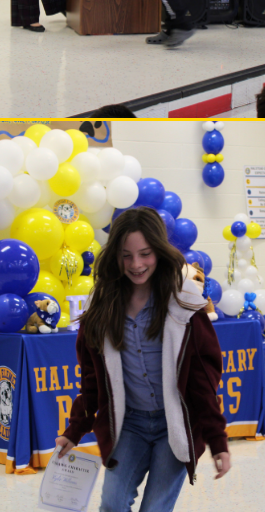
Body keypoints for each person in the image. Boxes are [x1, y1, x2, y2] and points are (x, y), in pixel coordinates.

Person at [55, 208, 231, 511]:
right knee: (112, 503)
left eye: (145, 254)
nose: (136, 264)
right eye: (126, 255)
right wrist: (75, 430)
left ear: (159, 252)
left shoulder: (185, 304)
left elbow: (204, 381)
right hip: (129, 424)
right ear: (115, 256)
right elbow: (92, 380)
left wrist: (217, 440)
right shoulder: (101, 309)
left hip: (174, 425)